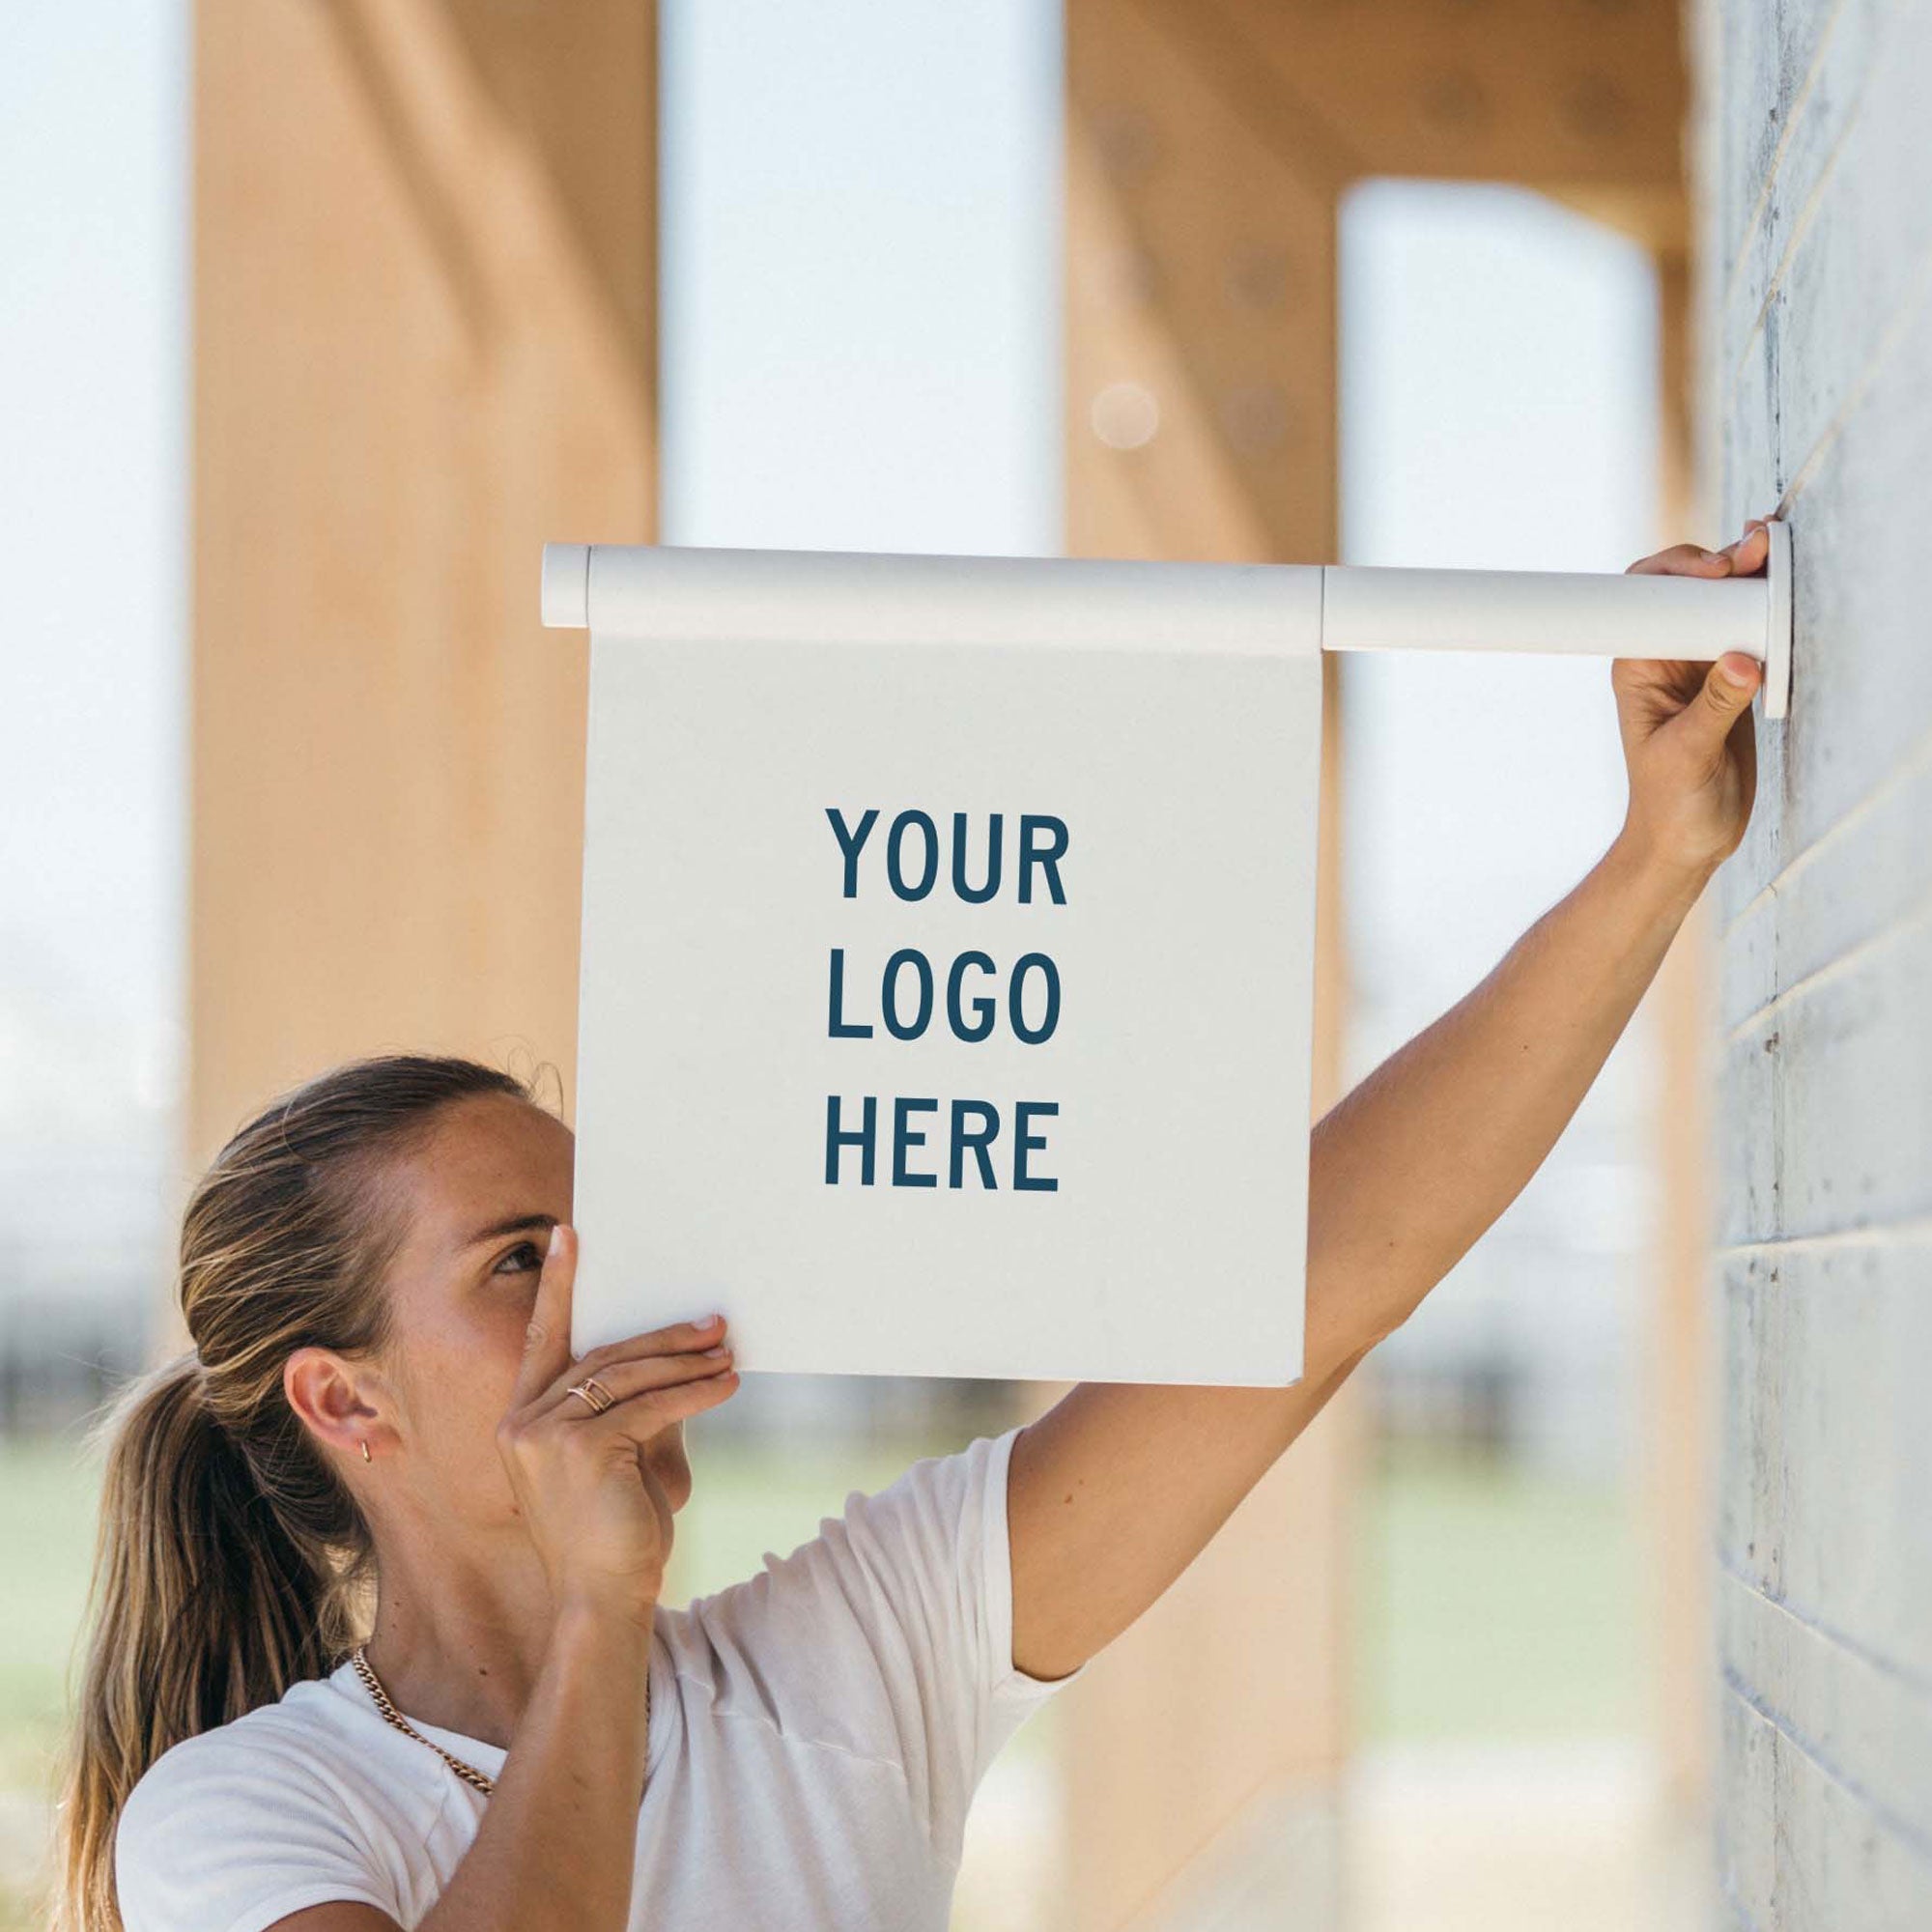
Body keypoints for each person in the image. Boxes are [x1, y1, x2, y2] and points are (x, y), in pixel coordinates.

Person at [52, 521, 1774, 1932]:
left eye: (610, 1214)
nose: (604, 1277)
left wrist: (1651, 861)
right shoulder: (242, 1814)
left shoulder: (853, 1656)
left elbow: (1316, 1282)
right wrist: (594, 1618)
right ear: (342, 1401)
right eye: (520, 1259)